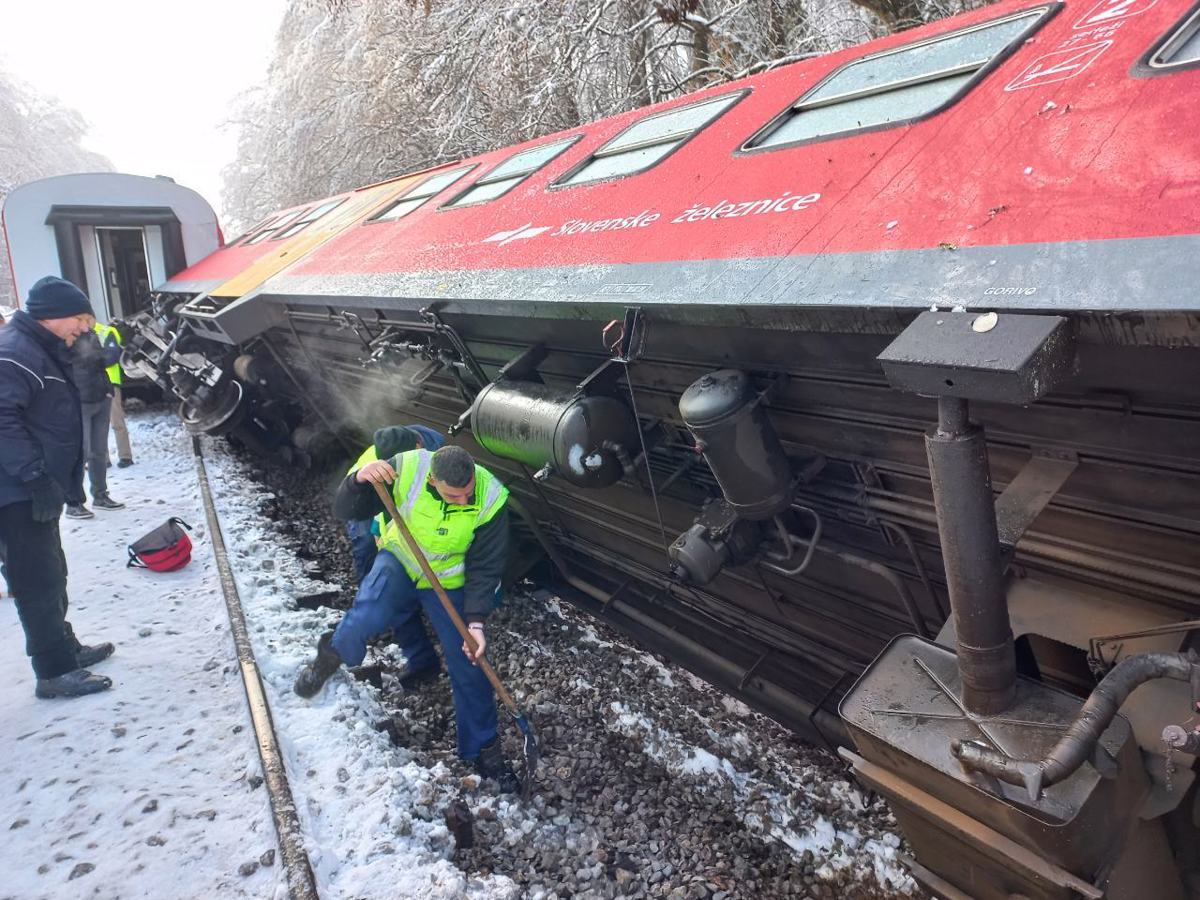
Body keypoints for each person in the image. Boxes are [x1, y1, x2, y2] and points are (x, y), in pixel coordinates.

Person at [294, 445, 518, 791]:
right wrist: (358, 481)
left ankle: (483, 749)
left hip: (449, 579)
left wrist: (475, 623)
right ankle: (330, 655)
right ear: (432, 480)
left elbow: (485, 566)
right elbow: (345, 509)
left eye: (467, 493)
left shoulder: (491, 496)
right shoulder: (404, 469)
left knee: (470, 658)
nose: (463, 501)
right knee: (369, 613)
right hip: (401, 561)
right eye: (453, 496)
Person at [0, 276, 115, 698]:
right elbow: (3, 422)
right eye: (80, 319)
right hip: (14, 490)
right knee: (37, 579)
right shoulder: (15, 354)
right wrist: (34, 476)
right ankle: (53, 671)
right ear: (51, 316)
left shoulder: (39, 348)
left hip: (31, 484)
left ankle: (64, 648)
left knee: (52, 570)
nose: (85, 328)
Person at [344, 424, 446, 582]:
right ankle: (366, 584)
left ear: (418, 445)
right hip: (360, 499)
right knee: (366, 543)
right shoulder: (378, 465)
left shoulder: (437, 453)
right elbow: (382, 514)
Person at [66, 323, 125, 517]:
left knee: (98, 452)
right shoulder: (66, 336)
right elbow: (95, 360)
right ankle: (74, 502)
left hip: (100, 396)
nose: (88, 321)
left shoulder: (91, 334)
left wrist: (107, 389)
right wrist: (111, 352)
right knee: (81, 453)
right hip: (81, 401)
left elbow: (100, 362)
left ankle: (100, 495)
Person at [94, 320, 133, 468]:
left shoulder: (107, 332)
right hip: (92, 384)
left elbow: (112, 356)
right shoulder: (80, 334)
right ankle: (103, 459)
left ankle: (125, 456)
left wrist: (91, 361)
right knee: (99, 424)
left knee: (117, 422)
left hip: (110, 382)